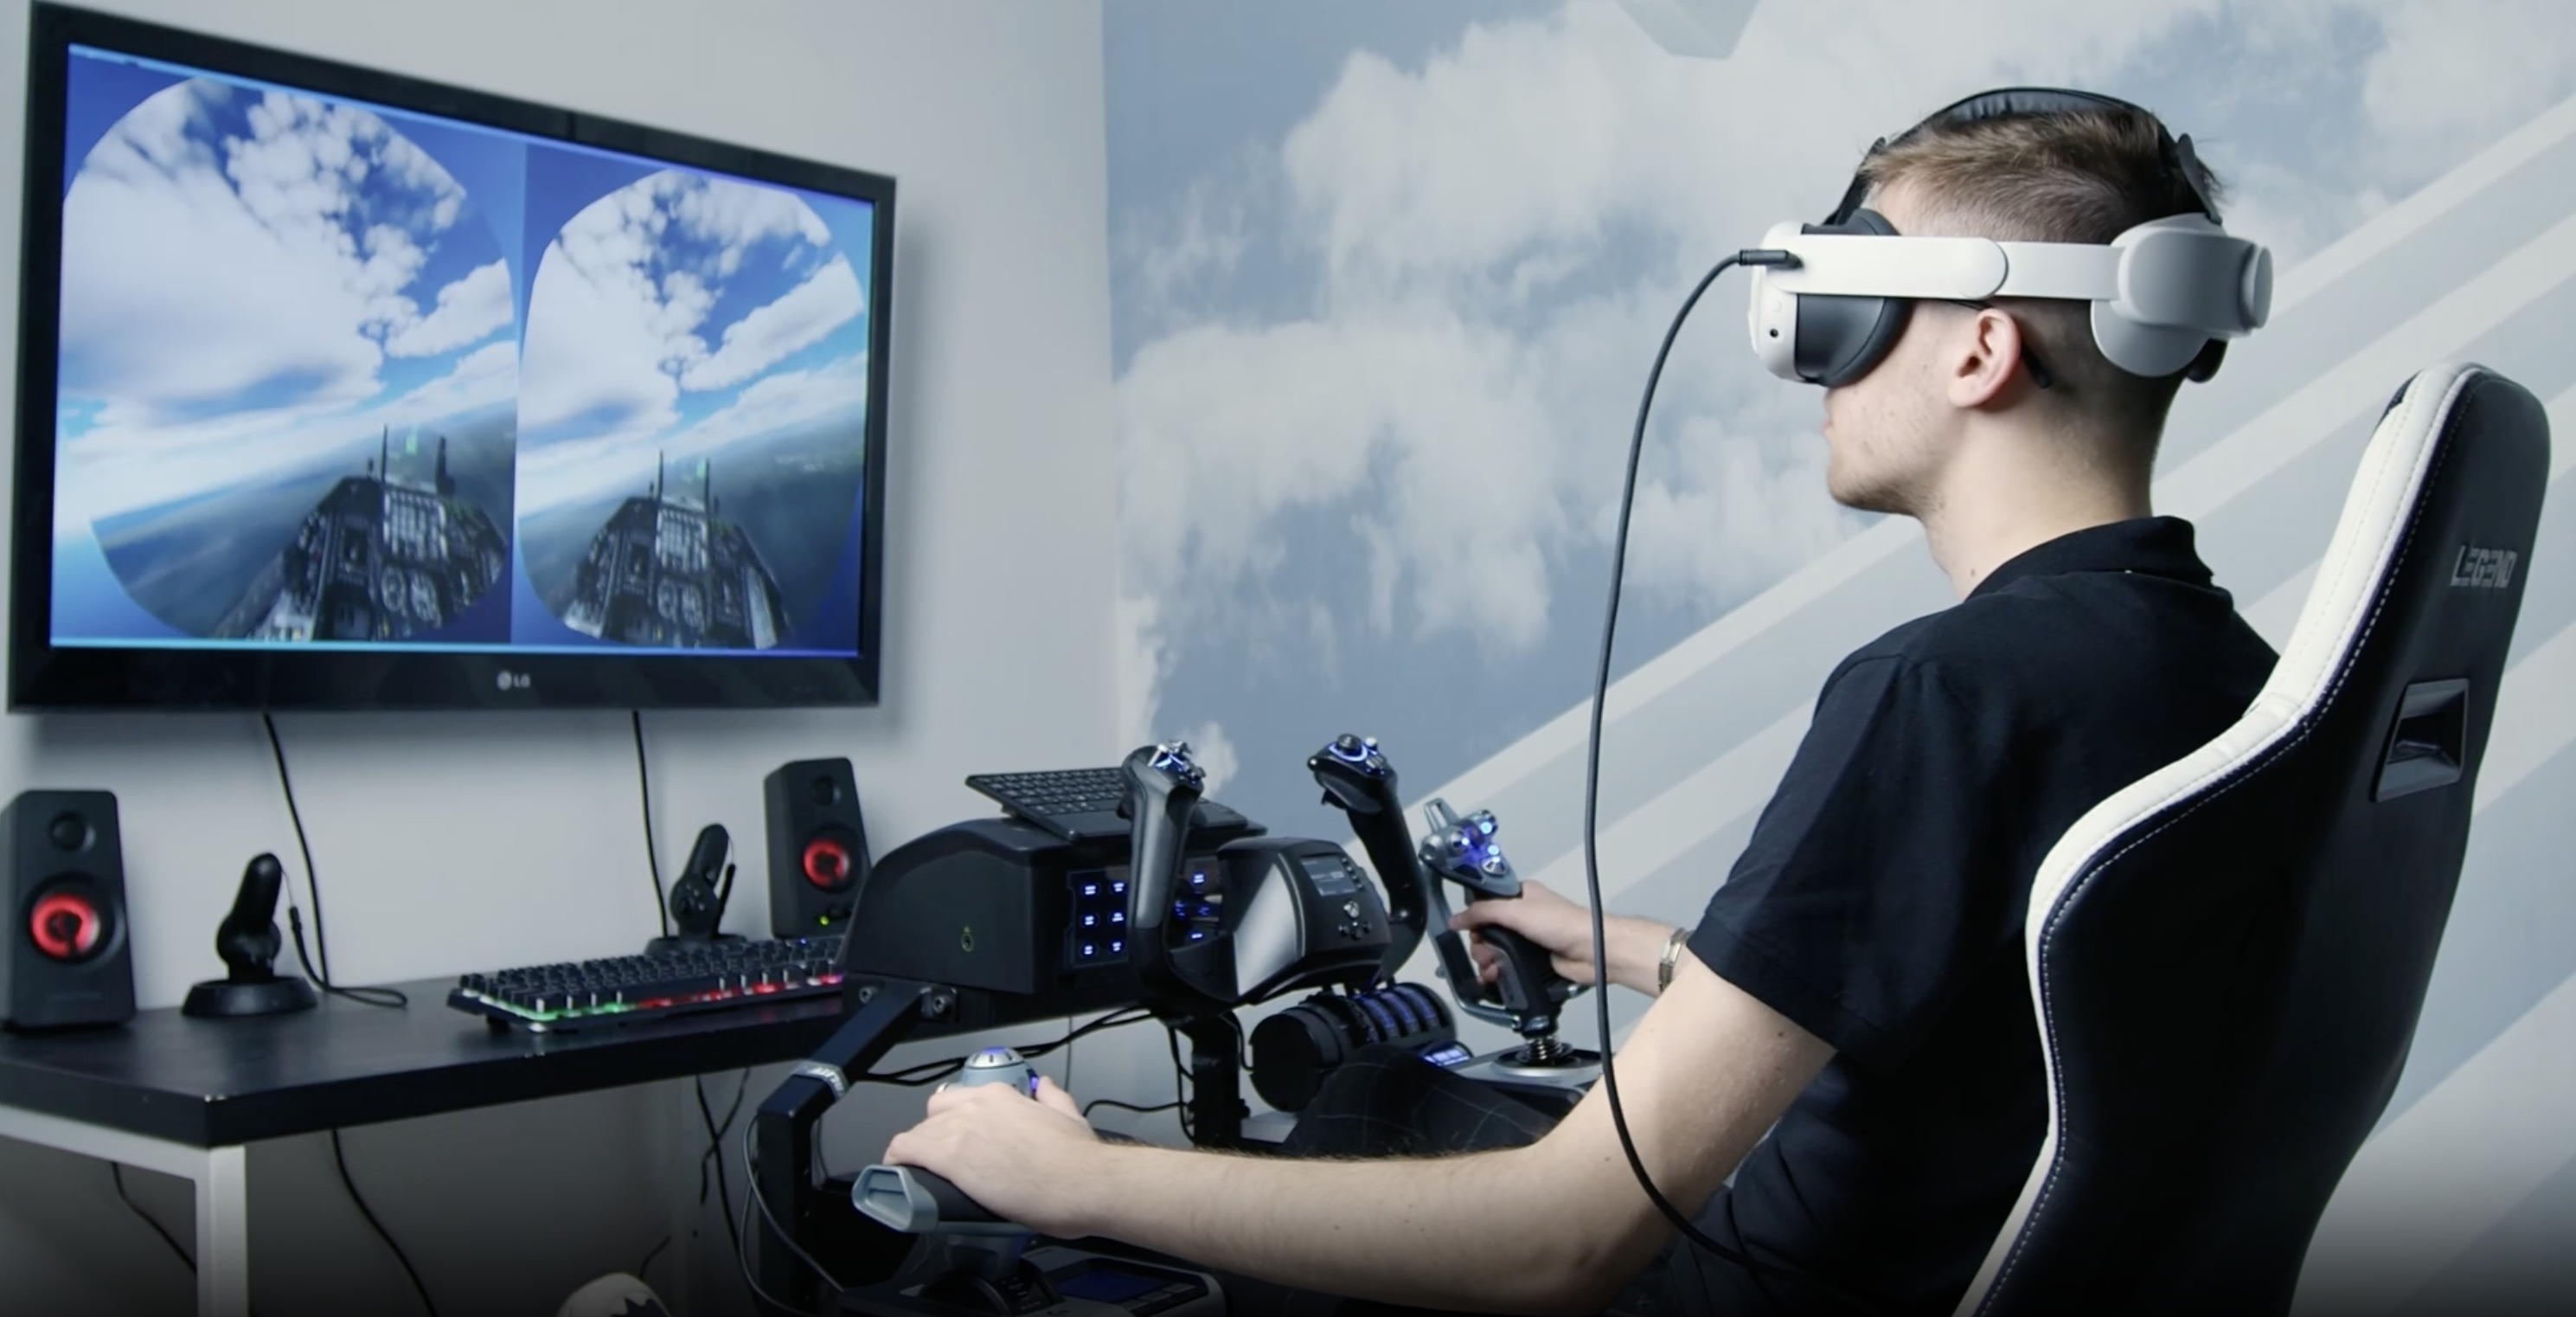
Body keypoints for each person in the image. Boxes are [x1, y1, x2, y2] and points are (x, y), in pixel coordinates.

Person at [883, 92, 2280, 1316]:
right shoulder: (2221, 673)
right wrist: (1609, 945)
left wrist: (1076, 1175)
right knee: (1399, 1093)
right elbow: (1982, 1006)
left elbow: (1560, 1244)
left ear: (1978, 353)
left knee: (1351, 1112)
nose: (1811, 362)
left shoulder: (1942, 693)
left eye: (1848, 302)